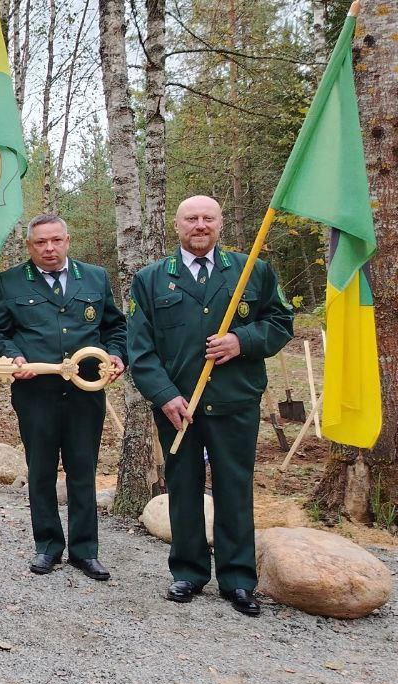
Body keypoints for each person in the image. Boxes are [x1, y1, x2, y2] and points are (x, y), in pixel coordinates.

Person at [127, 195, 293, 617]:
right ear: (176, 225)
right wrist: (164, 395)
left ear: (220, 224)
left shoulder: (251, 270)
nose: (199, 225)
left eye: (208, 218)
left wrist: (243, 341)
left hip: (234, 400)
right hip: (178, 406)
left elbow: (280, 323)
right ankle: (188, 572)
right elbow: (140, 350)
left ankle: (238, 580)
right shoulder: (149, 279)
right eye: (191, 218)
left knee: (234, 489)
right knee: (182, 488)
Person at [0, 213, 126, 581]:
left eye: (56, 240)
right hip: (36, 393)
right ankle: (47, 546)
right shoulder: (9, 282)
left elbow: (115, 327)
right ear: (30, 246)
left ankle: (85, 551)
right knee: (41, 471)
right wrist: (14, 357)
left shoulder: (95, 277)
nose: (49, 248)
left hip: (85, 393)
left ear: (67, 240)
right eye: (41, 242)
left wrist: (116, 354)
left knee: (83, 469)